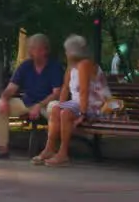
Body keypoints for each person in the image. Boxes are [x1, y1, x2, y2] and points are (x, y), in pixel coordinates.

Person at [33, 35, 109, 167]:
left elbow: (84, 91)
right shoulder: (71, 67)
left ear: (74, 52)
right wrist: (60, 105)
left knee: (66, 113)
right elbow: (65, 89)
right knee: (57, 110)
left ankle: (63, 154)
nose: (66, 53)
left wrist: (83, 115)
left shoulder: (85, 64)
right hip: (79, 104)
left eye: (67, 50)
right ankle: (49, 149)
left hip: (97, 105)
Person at [0, 33, 63, 159]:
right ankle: (2, 149)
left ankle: (51, 149)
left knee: (55, 107)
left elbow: (56, 93)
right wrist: (4, 99)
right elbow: (11, 88)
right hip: (27, 102)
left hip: (46, 104)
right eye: (31, 48)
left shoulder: (54, 67)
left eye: (35, 48)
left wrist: (39, 106)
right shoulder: (25, 66)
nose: (31, 51)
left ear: (45, 50)